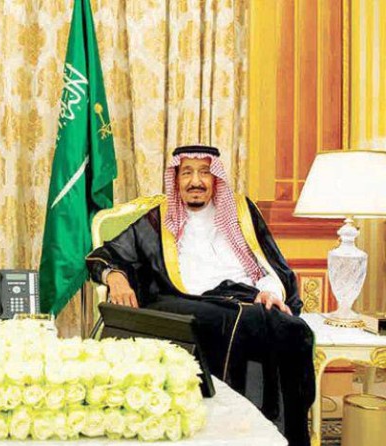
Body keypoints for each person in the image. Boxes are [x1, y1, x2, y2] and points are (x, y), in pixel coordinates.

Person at [86, 145, 314, 446]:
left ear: (215, 178)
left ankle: (285, 433)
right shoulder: (158, 220)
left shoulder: (242, 213)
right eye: (187, 173)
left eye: (205, 172)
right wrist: (115, 277)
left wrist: (270, 291)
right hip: (188, 300)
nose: (196, 181)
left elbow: (270, 263)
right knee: (236, 321)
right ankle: (229, 429)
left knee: (295, 330)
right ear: (176, 179)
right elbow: (107, 254)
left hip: (246, 297)